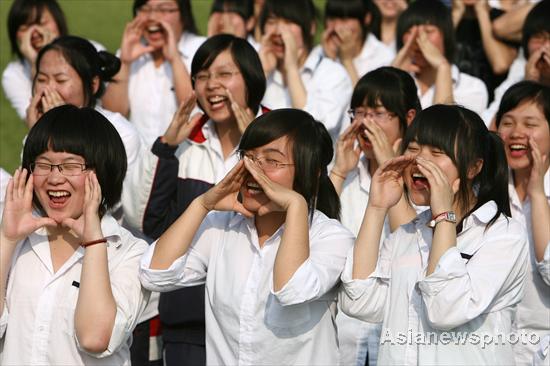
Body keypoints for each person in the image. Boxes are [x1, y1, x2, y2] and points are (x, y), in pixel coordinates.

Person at [139, 108, 355, 365]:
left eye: (272, 161)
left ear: (311, 172)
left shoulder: (330, 237)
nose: (254, 170)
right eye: (249, 157)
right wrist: (202, 205)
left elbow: (292, 290)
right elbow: (154, 274)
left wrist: (296, 205)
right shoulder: (221, 227)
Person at [339, 104, 528, 364]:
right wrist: (376, 207)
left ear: (473, 168)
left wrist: (443, 218)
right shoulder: (408, 234)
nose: (419, 161)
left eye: (437, 152)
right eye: (413, 148)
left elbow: (446, 309)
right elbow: (358, 302)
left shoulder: (503, 235)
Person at [122, 33, 266, 366]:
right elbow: (147, 219)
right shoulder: (183, 144)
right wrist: (165, 148)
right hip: (188, 326)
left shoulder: (282, 136)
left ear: (251, 78)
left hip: (261, 325)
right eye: (202, 76)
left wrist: (255, 145)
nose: (212, 85)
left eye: (224, 74)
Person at [0, 105, 150, 365]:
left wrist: (94, 243)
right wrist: (6, 240)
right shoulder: (17, 239)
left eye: (70, 166)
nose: (55, 179)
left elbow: (94, 338)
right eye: (44, 165)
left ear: (102, 171)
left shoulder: (128, 251)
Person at [329, 66, 421, 365]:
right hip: (342, 334)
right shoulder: (345, 173)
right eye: (358, 112)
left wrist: (388, 166)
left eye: (378, 113)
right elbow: (315, 234)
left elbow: (409, 242)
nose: (364, 123)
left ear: (408, 118)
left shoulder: (423, 179)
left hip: (397, 335)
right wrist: (339, 172)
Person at [25, 36, 142, 190]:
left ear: (93, 84)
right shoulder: (37, 126)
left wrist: (62, 127)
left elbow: (112, 201)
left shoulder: (122, 135)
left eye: (60, 80)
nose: (48, 89)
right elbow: (30, 192)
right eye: (41, 79)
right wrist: (37, 135)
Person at [495, 80, 550, 366]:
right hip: (493, 346)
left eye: (530, 124)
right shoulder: (485, 192)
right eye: (508, 122)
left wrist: (538, 195)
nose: (516, 133)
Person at [102, 0, 205, 147]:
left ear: (183, 14)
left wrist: (175, 59)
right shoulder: (130, 51)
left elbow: (194, 110)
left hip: (182, 158)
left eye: (164, 9)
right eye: (145, 9)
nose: (153, 17)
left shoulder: (200, 49)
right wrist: (124, 62)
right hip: (139, 164)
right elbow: (113, 115)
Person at [258, 0, 352, 141]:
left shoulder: (332, 73)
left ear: (311, 27)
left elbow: (315, 127)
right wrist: (260, 73)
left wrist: (291, 68)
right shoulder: (263, 70)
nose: (278, 31)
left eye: (289, 22)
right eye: (272, 22)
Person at [2, 0, 103, 120]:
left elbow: (114, 108)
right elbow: (34, 122)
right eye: (25, 28)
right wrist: (37, 60)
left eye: (42, 23)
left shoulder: (91, 50)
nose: (35, 33)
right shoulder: (13, 74)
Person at [392, 0, 488, 115]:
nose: (418, 39)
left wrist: (443, 67)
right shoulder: (396, 72)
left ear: (446, 35)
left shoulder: (472, 88)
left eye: (428, 31)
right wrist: (394, 75)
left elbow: (442, 128)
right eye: (410, 32)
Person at [482, 0, 550, 127]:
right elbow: (492, 134)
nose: (545, 47)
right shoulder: (519, 77)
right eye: (539, 37)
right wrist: (529, 86)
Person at [315, 0, 394, 86]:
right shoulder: (318, 53)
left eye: (344, 19)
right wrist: (329, 59)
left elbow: (365, 98)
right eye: (332, 19)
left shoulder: (383, 57)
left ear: (366, 19)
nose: (336, 27)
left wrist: (346, 60)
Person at [452, 0, 519, 102]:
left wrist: (482, 13)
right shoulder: (441, 17)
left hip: (489, 104)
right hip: (448, 101)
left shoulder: (503, 20)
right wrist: (456, 13)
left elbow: (500, 65)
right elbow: (432, 59)